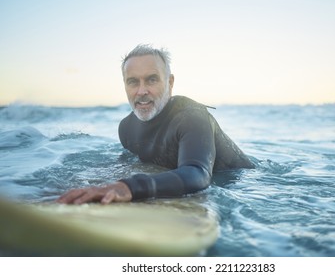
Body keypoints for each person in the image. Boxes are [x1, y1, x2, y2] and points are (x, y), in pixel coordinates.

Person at [57, 44, 254, 204]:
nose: (142, 91)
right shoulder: (126, 128)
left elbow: (198, 175)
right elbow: (131, 165)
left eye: (151, 80)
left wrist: (129, 187)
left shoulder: (191, 117)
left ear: (170, 82)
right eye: (133, 82)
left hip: (245, 187)